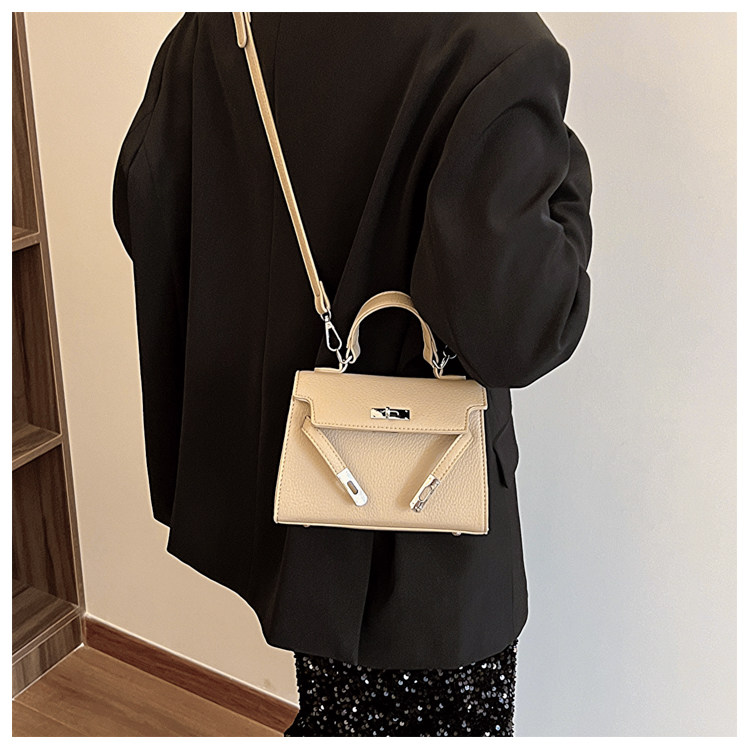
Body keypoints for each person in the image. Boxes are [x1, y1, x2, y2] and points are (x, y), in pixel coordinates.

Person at [112, 12, 592, 738]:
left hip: (302, 482)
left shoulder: (226, 21)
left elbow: (144, 199)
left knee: (334, 711)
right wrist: (568, 177)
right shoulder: (499, 44)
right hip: (430, 539)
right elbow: (521, 330)